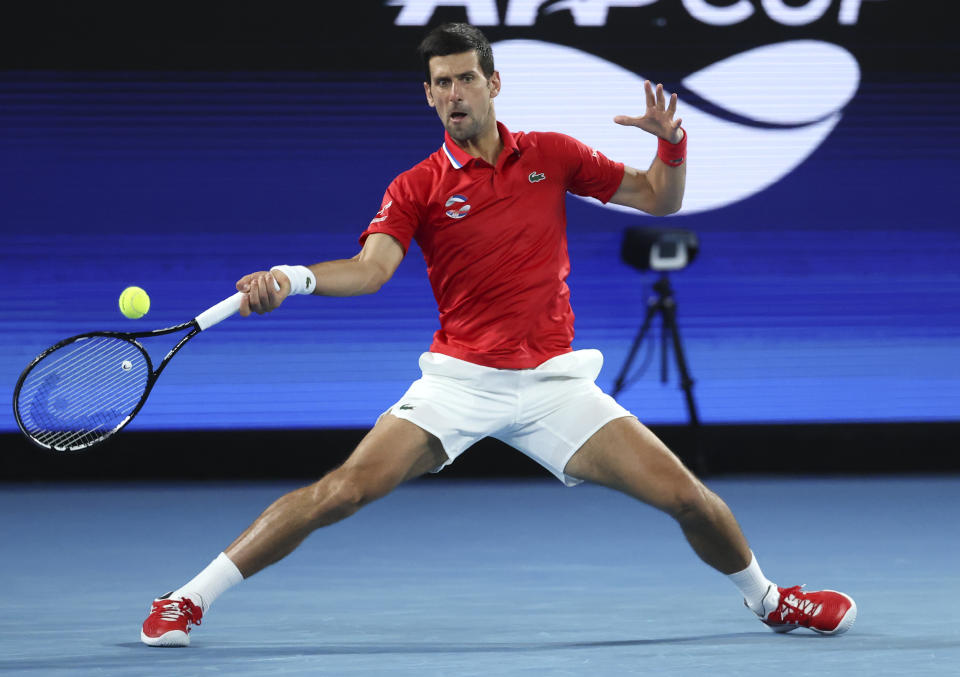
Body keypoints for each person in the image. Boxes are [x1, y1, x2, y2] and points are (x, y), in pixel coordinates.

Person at [141, 23, 856, 647]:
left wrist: (672, 146)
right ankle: (186, 598)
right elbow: (369, 269)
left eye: (465, 80)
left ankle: (769, 599)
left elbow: (657, 198)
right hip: (461, 382)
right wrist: (293, 278)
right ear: (428, 96)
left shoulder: (552, 153)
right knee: (341, 492)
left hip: (555, 384)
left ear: (494, 84)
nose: (454, 94)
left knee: (690, 499)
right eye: (440, 83)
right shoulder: (415, 186)